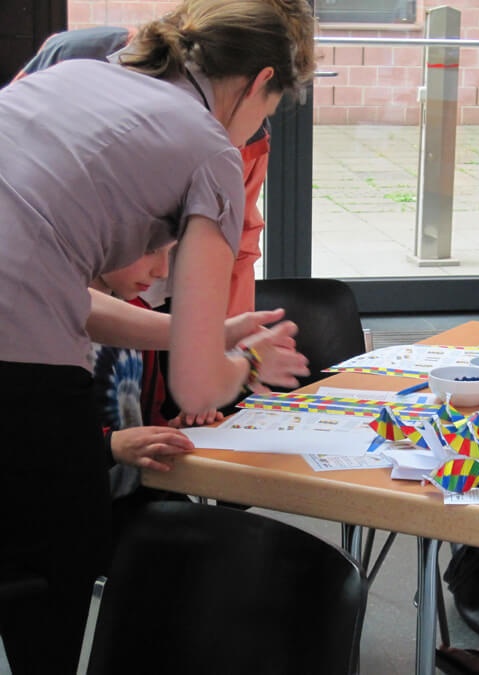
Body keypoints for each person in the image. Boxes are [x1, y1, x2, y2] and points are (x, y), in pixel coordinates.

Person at [0, 1, 316, 671]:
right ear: (261, 81)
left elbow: (55, 293)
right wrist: (246, 361)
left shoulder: (70, 76)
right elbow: (199, 383)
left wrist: (197, 327)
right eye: (272, 110)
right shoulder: (209, 148)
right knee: (55, 582)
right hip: (20, 377)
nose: (260, 129)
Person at [14, 24, 272, 318]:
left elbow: (235, 248)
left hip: (146, 304)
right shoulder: (77, 55)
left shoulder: (248, 132)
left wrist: (232, 342)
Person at [89, 243, 223, 542]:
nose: (162, 270)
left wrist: (174, 429)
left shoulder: (140, 314)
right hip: (64, 518)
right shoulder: (43, 325)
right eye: (149, 249)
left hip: (134, 500)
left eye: (169, 252)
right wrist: (110, 445)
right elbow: (28, 443)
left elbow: (148, 418)